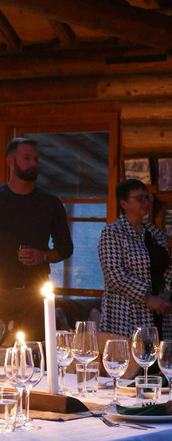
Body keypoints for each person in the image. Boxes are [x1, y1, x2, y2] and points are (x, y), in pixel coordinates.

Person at [0, 137, 73, 342]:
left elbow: (66, 248)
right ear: (10, 162)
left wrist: (43, 256)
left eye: (36, 159)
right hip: (1, 292)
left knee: (35, 358)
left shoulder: (50, 203)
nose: (33, 163)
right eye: (27, 158)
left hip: (35, 294)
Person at [98, 179, 172, 339]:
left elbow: (169, 270)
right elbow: (115, 276)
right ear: (124, 204)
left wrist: (168, 297)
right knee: (133, 360)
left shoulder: (156, 233)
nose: (145, 202)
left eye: (147, 198)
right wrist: (147, 298)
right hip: (127, 315)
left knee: (160, 360)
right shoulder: (113, 233)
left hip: (160, 313)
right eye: (139, 198)